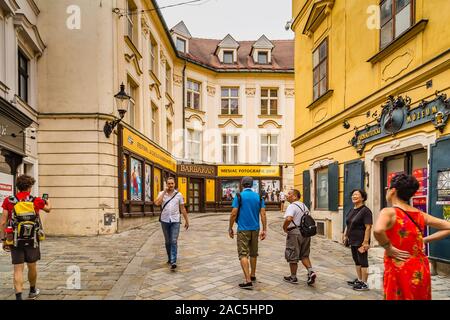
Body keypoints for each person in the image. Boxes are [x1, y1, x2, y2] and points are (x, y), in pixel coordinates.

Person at [374, 173, 450, 300]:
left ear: (393, 190)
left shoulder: (389, 212)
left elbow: (378, 230)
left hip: (399, 268)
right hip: (420, 267)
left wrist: (388, 247)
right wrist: (424, 240)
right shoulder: (419, 214)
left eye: (387, 188)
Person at [0, 175, 52, 300]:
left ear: (17, 187)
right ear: (29, 187)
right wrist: (48, 201)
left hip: (15, 239)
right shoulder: (36, 200)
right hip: (32, 239)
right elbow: (48, 209)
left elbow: (3, 222)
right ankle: (32, 291)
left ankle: (18, 297)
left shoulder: (9, 200)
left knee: (18, 268)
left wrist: (3, 239)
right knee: (32, 265)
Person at [228, 176, 267, 290]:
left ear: (242, 184)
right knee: (253, 253)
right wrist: (264, 229)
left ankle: (248, 280)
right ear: (252, 184)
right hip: (255, 229)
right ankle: (253, 275)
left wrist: (230, 228)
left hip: (243, 229)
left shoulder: (239, 196)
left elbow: (234, 213)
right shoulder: (258, 196)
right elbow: (263, 214)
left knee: (243, 254)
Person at [282, 189, 317, 286]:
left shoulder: (292, 206)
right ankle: (311, 272)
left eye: (289, 194)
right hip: (305, 233)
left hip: (295, 232)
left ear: (295, 196)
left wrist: (284, 227)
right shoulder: (304, 206)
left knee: (292, 254)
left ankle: (293, 277)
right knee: (304, 255)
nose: (287, 195)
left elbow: (289, 218)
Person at [154, 177, 189, 270]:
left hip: (175, 220)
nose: (170, 185)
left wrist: (186, 220)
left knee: (173, 240)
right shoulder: (161, 193)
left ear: (174, 184)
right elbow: (157, 203)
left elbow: (182, 208)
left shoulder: (179, 195)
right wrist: (164, 193)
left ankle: (173, 261)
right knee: (167, 241)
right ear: (166, 184)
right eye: (169, 184)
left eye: (172, 183)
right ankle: (170, 258)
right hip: (164, 220)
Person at [342, 189, 373, 291]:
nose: (354, 196)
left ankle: (364, 283)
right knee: (356, 260)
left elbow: (368, 227)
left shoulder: (366, 211)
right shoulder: (352, 209)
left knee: (363, 261)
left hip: (361, 239)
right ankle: (359, 279)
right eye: (353, 194)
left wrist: (365, 242)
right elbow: (348, 223)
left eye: (357, 195)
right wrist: (345, 235)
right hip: (353, 239)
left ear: (362, 198)